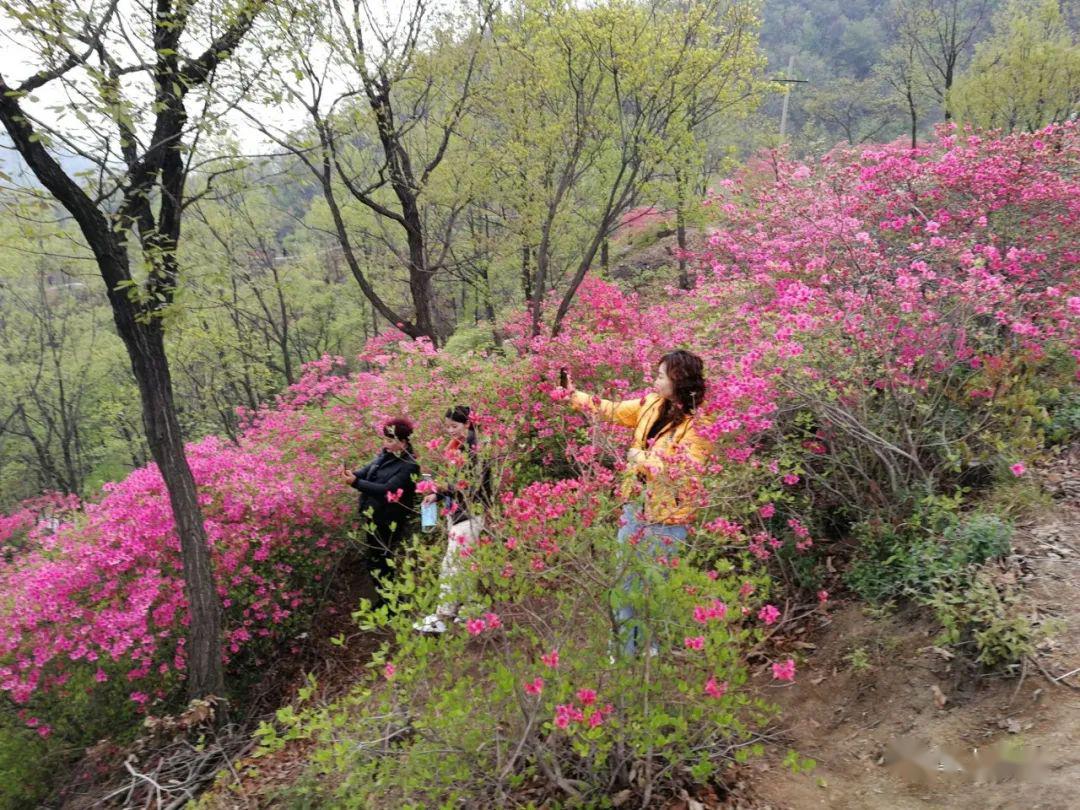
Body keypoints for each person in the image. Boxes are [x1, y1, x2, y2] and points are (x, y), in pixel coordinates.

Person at [564, 350, 713, 657]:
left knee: (653, 586)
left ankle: (648, 650)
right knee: (625, 581)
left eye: (661, 376)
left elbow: (686, 471)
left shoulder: (699, 424)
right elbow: (611, 409)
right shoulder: (650, 404)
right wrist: (573, 395)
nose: (655, 380)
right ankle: (622, 651)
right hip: (635, 507)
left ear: (679, 380)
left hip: (668, 518)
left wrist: (640, 458)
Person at [413, 405, 493, 635]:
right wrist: (436, 494)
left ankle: (443, 614)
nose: (450, 431)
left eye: (454, 426)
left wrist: (441, 487)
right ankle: (468, 609)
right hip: (458, 512)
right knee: (463, 563)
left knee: (451, 564)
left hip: (470, 513)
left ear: (467, 424)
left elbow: (472, 485)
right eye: (447, 426)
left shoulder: (475, 448)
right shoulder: (458, 447)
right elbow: (456, 484)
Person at [343, 418, 421, 586]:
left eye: (390, 440)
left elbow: (388, 491)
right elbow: (367, 471)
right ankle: (383, 601)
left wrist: (356, 483)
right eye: (385, 439)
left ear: (404, 442)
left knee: (383, 562)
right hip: (374, 517)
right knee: (374, 562)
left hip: (388, 521)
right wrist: (353, 474)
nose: (386, 444)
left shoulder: (410, 465)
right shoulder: (386, 455)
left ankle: (392, 604)